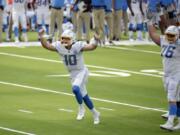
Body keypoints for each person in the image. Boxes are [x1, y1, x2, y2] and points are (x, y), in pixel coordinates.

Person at [38, 29, 101, 125]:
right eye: (63, 38)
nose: (64, 41)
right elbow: (46, 46)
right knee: (84, 96)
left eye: (67, 39)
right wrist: (41, 36)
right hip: (72, 73)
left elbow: (91, 47)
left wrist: (95, 40)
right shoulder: (59, 46)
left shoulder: (77, 45)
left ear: (72, 39)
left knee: (75, 89)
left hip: (81, 71)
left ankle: (81, 108)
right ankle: (95, 113)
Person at [148, 23, 180, 131]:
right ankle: (177, 118)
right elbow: (153, 34)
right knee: (174, 98)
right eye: (168, 35)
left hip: (176, 75)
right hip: (166, 74)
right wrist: (149, 22)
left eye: (172, 35)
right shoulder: (164, 40)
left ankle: (170, 122)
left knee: (172, 98)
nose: (170, 37)